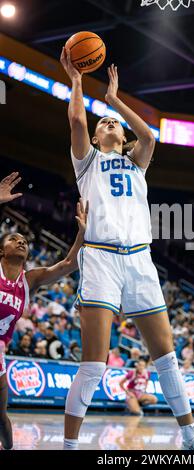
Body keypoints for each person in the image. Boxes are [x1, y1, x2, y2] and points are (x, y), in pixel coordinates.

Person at [60, 48, 194, 451]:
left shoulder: (136, 162)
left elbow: (150, 136)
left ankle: (190, 434)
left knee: (166, 357)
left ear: (122, 137)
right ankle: (70, 445)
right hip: (101, 258)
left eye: (114, 123)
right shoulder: (87, 162)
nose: (107, 123)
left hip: (139, 260)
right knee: (93, 365)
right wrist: (77, 81)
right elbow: (74, 118)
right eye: (102, 122)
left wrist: (115, 100)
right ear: (95, 137)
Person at [0, 172, 87, 450]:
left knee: (1, 416)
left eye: (24, 240)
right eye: (13, 239)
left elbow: (68, 263)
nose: (21, 241)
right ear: (1, 250)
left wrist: (83, 232)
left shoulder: (30, 280)